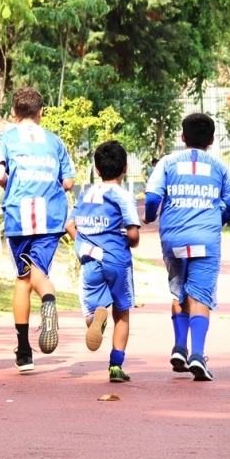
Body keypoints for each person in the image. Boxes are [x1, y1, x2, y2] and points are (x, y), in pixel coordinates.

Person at [143, 113, 230, 381]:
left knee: (180, 291)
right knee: (200, 295)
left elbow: (153, 196)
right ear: (212, 140)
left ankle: (179, 347)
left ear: (183, 137)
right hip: (206, 240)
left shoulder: (167, 163)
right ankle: (197, 355)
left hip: (174, 239)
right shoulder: (219, 167)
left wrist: (150, 217)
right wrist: (219, 218)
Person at [0, 87, 76, 372]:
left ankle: (24, 351)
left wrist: (12, 184)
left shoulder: (4, 139)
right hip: (50, 216)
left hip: (18, 214)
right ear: (41, 112)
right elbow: (68, 183)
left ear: (14, 113)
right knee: (38, 272)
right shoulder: (55, 141)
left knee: (22, 278)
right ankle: (49, 299)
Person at [65, 141, 140, 382]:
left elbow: (69, 224)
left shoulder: (86, 192)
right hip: (116, 259)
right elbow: (133, 235)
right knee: (122, 311)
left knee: (93, 309)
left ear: (97, 170)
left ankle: (95, 320)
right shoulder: (123, 196)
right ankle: (116, 366)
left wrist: (84, 242)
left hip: (89, 259)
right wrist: (129, 242)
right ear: (125, 168)